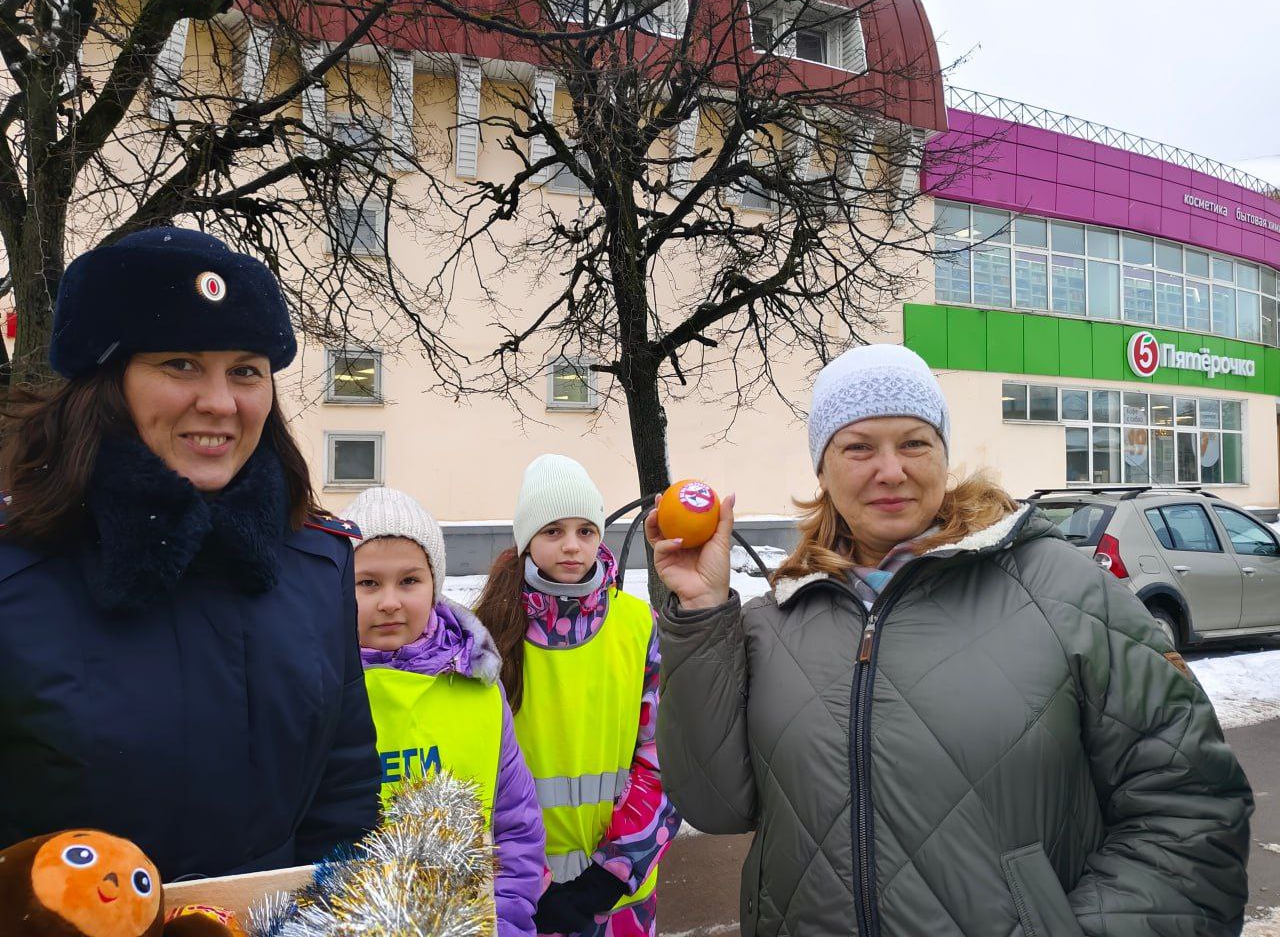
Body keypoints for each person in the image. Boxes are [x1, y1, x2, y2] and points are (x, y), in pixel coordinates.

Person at [648, 343, 1253, 936]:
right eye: (858, 447)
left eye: (915, 442)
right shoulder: (774, 620)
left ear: (943, 455)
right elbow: (716, 806)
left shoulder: (1064, 591)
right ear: (822, 469)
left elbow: (1190, 805)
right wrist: (701, 611)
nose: (892, 469)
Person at [0, 228, 379, 880]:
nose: (221, 402)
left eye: (245, 371)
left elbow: (340, 801)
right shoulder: (15, 577)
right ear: (105, 382)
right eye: (180, 363)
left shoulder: (318, 567)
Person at [474, 455, 681, 937]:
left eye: (586, 530)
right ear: (527, 540)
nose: (572, 546)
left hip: (618, 896)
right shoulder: (486, 631)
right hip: (519, 896)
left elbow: (663, 758)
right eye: (552, 531)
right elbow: (471, 774)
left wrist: (609, 876)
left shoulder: (637, 623)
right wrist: (528, 883)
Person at [345, 486, 545, 937]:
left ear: (435, 584)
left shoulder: (478, 691)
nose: (390, 601)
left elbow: (516, 829)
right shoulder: (316, 692)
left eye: (409, 580)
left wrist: (505, 922)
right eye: (368, 583)